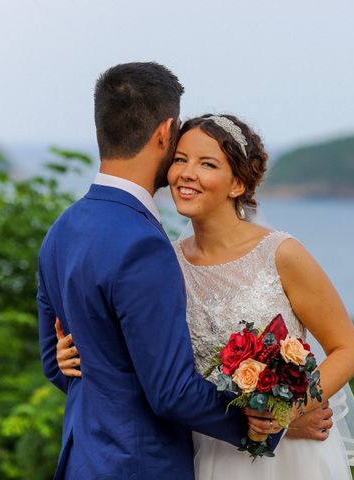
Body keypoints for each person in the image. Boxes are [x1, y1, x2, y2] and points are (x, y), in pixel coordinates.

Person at [57, 113, 354, 479]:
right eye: (180, 160)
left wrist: (283, 416)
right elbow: (150, 367)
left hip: (292, 459)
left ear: (237, 182)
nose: (187, 173)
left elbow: (348, 350)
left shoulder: (281, 254)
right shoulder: (164, 263)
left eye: (207, 164)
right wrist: (76, 357)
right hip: (211, 450)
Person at [37, 63, 282, 480]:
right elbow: (171, 393)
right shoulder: (143, 244)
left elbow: (54, 362)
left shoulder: (63, 229)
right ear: (166, 132)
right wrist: (266, 424)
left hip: (83, 460)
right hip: (138, 465)